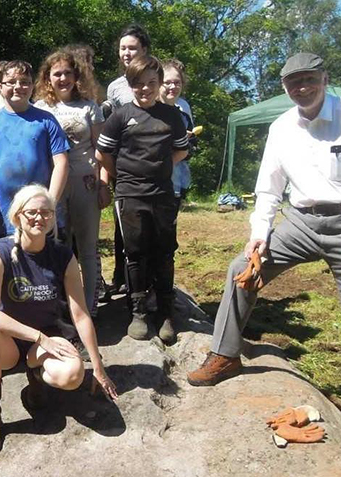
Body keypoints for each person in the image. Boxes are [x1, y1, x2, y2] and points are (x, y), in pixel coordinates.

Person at [186, 53, 341, 426]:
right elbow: (268, 189)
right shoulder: (281, 127)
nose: (301, 88)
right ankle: (226, 354)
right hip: (300, 221)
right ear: (284, 87)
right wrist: (258, 235)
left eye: (308, 79)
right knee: (243, 269)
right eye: (292, 82)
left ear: (324, 78)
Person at [0, 184, 118, 456]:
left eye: (46, 212)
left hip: (46, 339)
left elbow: (80, 313)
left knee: (73, 375)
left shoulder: (62, 254)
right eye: (31, 212)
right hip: (11, 342)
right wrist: (38, 337)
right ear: (17, 216)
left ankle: (35, 384)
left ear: (53, 217)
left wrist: (97, 366)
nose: (39, 218)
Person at [95, 55, 189, 342]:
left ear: (159, 83)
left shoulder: (172, 115)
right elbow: (103, 154)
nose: (145, 89)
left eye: (151, 83)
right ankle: (138, 312)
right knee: (135, 253)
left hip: (162, 195)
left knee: (164, 252)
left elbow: (181, 150)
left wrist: (160, 169)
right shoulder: (120, 116)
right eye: (139, 84)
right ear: (130, 85)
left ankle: (165, 311)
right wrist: (122, 177)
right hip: (129, 196)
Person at [33, 49, 106, 318]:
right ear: (47, 78)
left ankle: (90, 306)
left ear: (76, 76)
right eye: (57, 74)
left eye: (67, 73)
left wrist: (103, 184)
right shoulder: (40, 108)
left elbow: (101, 150)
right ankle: (61, 304)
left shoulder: (90, 107)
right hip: (53, 185)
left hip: (85, 182)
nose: (62, 78)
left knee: (87, 247)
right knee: (56, 245)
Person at [0, 60, 70, 239]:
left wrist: (49, 204)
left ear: (32, 86)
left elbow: (61, 164)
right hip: (0, 216)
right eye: (11, 82)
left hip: (40, 215)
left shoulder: (46, 121)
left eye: (25, 82)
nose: (18, 87)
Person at [103, 24, 151, 300]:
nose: (126, 52)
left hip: (152, 163)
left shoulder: (154, 76)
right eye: (122, 48)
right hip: (123, 163)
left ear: (144, 49)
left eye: (132, 47)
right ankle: (121, 274)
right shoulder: (115, 87)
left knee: (152, 226)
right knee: (123, 222)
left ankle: (151, 279)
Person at [158, 58, 196, 203]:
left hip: (172, 181)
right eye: (167, 82)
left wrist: (186, 140)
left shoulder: (181, 112)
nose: (172, 86)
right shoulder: (145, 111)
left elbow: (189, 144)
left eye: (177, 82)